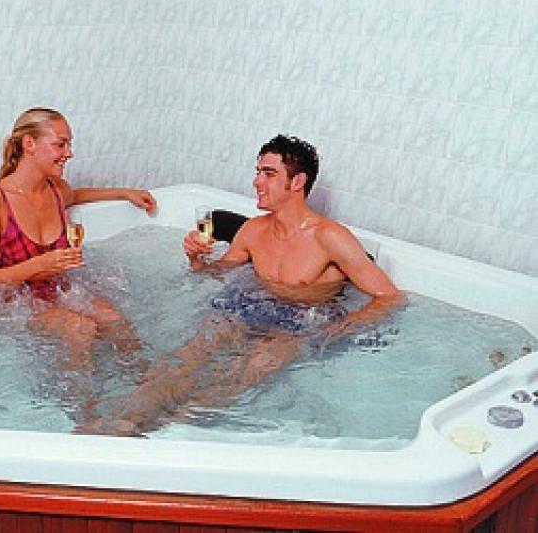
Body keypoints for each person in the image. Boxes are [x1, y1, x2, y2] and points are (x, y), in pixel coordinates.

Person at [78, 135, 404, 435]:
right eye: (258, 172)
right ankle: (120, 422)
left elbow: (389, 297)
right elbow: (218, 273)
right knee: (181, 362)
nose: (256, 181)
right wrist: (197, 261)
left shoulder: (330, 238)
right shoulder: (253, 231)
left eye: (268, 173)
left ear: (297, 182)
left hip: (296, 326)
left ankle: (165, 432)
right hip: (244, 310)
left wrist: (337, 331)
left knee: (244, 372)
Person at [0, 107, 157, 369]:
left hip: (54, 291)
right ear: (29, 144)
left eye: (69, 144)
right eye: (60, 144)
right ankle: (80, 396)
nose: (69, 153)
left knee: (112, 318)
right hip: (13, 304)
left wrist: (125, 193)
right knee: (79, 328)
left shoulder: (55, 189)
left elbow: (77, 196)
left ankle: (149, 383)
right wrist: (37, 266)